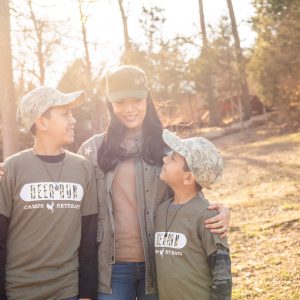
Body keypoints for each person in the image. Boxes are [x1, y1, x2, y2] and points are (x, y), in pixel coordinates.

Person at [77, 65, 230, 300]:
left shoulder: (169, 146)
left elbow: (192, 186)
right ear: (110, 105)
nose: (129, 109)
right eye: (120, 102)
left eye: (136, 100)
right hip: (112, 271)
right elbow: (73, 197)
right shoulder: (92, 149)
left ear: (147, 99)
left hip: (161, 266)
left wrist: (221, 211)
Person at [0, 87, 98, 300]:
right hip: (19, 292)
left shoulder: (83, 168)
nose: (73, 120)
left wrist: (87, 293)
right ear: (42, 122)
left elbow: (89, 237)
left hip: (67, 291)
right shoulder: (12, 168)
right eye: (65, 114)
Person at [155, 129, 232, 300]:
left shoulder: (208, 216)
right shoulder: (161, 211)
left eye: (173, 158)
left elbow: (222, 273)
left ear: (189, 178)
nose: (165, 158)